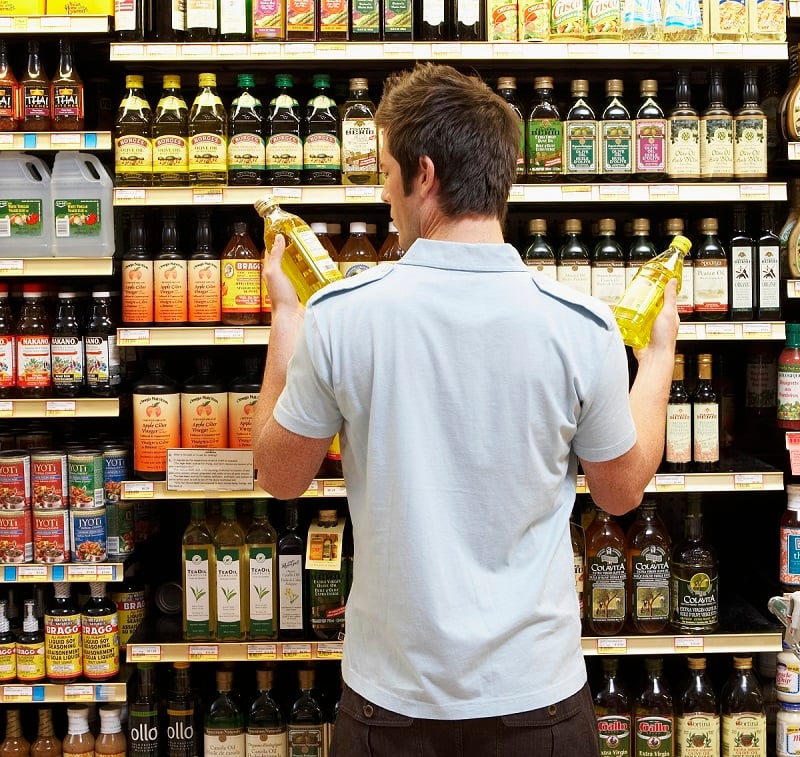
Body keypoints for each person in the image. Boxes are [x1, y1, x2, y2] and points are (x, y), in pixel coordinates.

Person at [253, 63, 679, 756]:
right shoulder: (582, 326)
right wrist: (658, 358)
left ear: (424, 175)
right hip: (537, 700)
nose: (384, 193)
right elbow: (621, 489)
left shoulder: (341, 317)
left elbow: (278, 474)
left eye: (387, 172)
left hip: (391, 703)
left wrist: (286, 316)